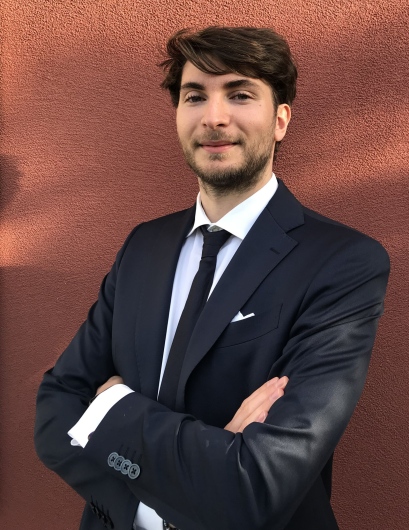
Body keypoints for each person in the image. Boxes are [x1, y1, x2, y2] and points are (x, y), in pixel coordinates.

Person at [34, 26, 390, 530]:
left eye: (240, 95)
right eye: (195, 96)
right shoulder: (143, 246)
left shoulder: (342, 263)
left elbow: (257, 485)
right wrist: (147, 510)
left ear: (281, 120)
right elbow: (55, 412)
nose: (214, 117)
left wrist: (111, 407)